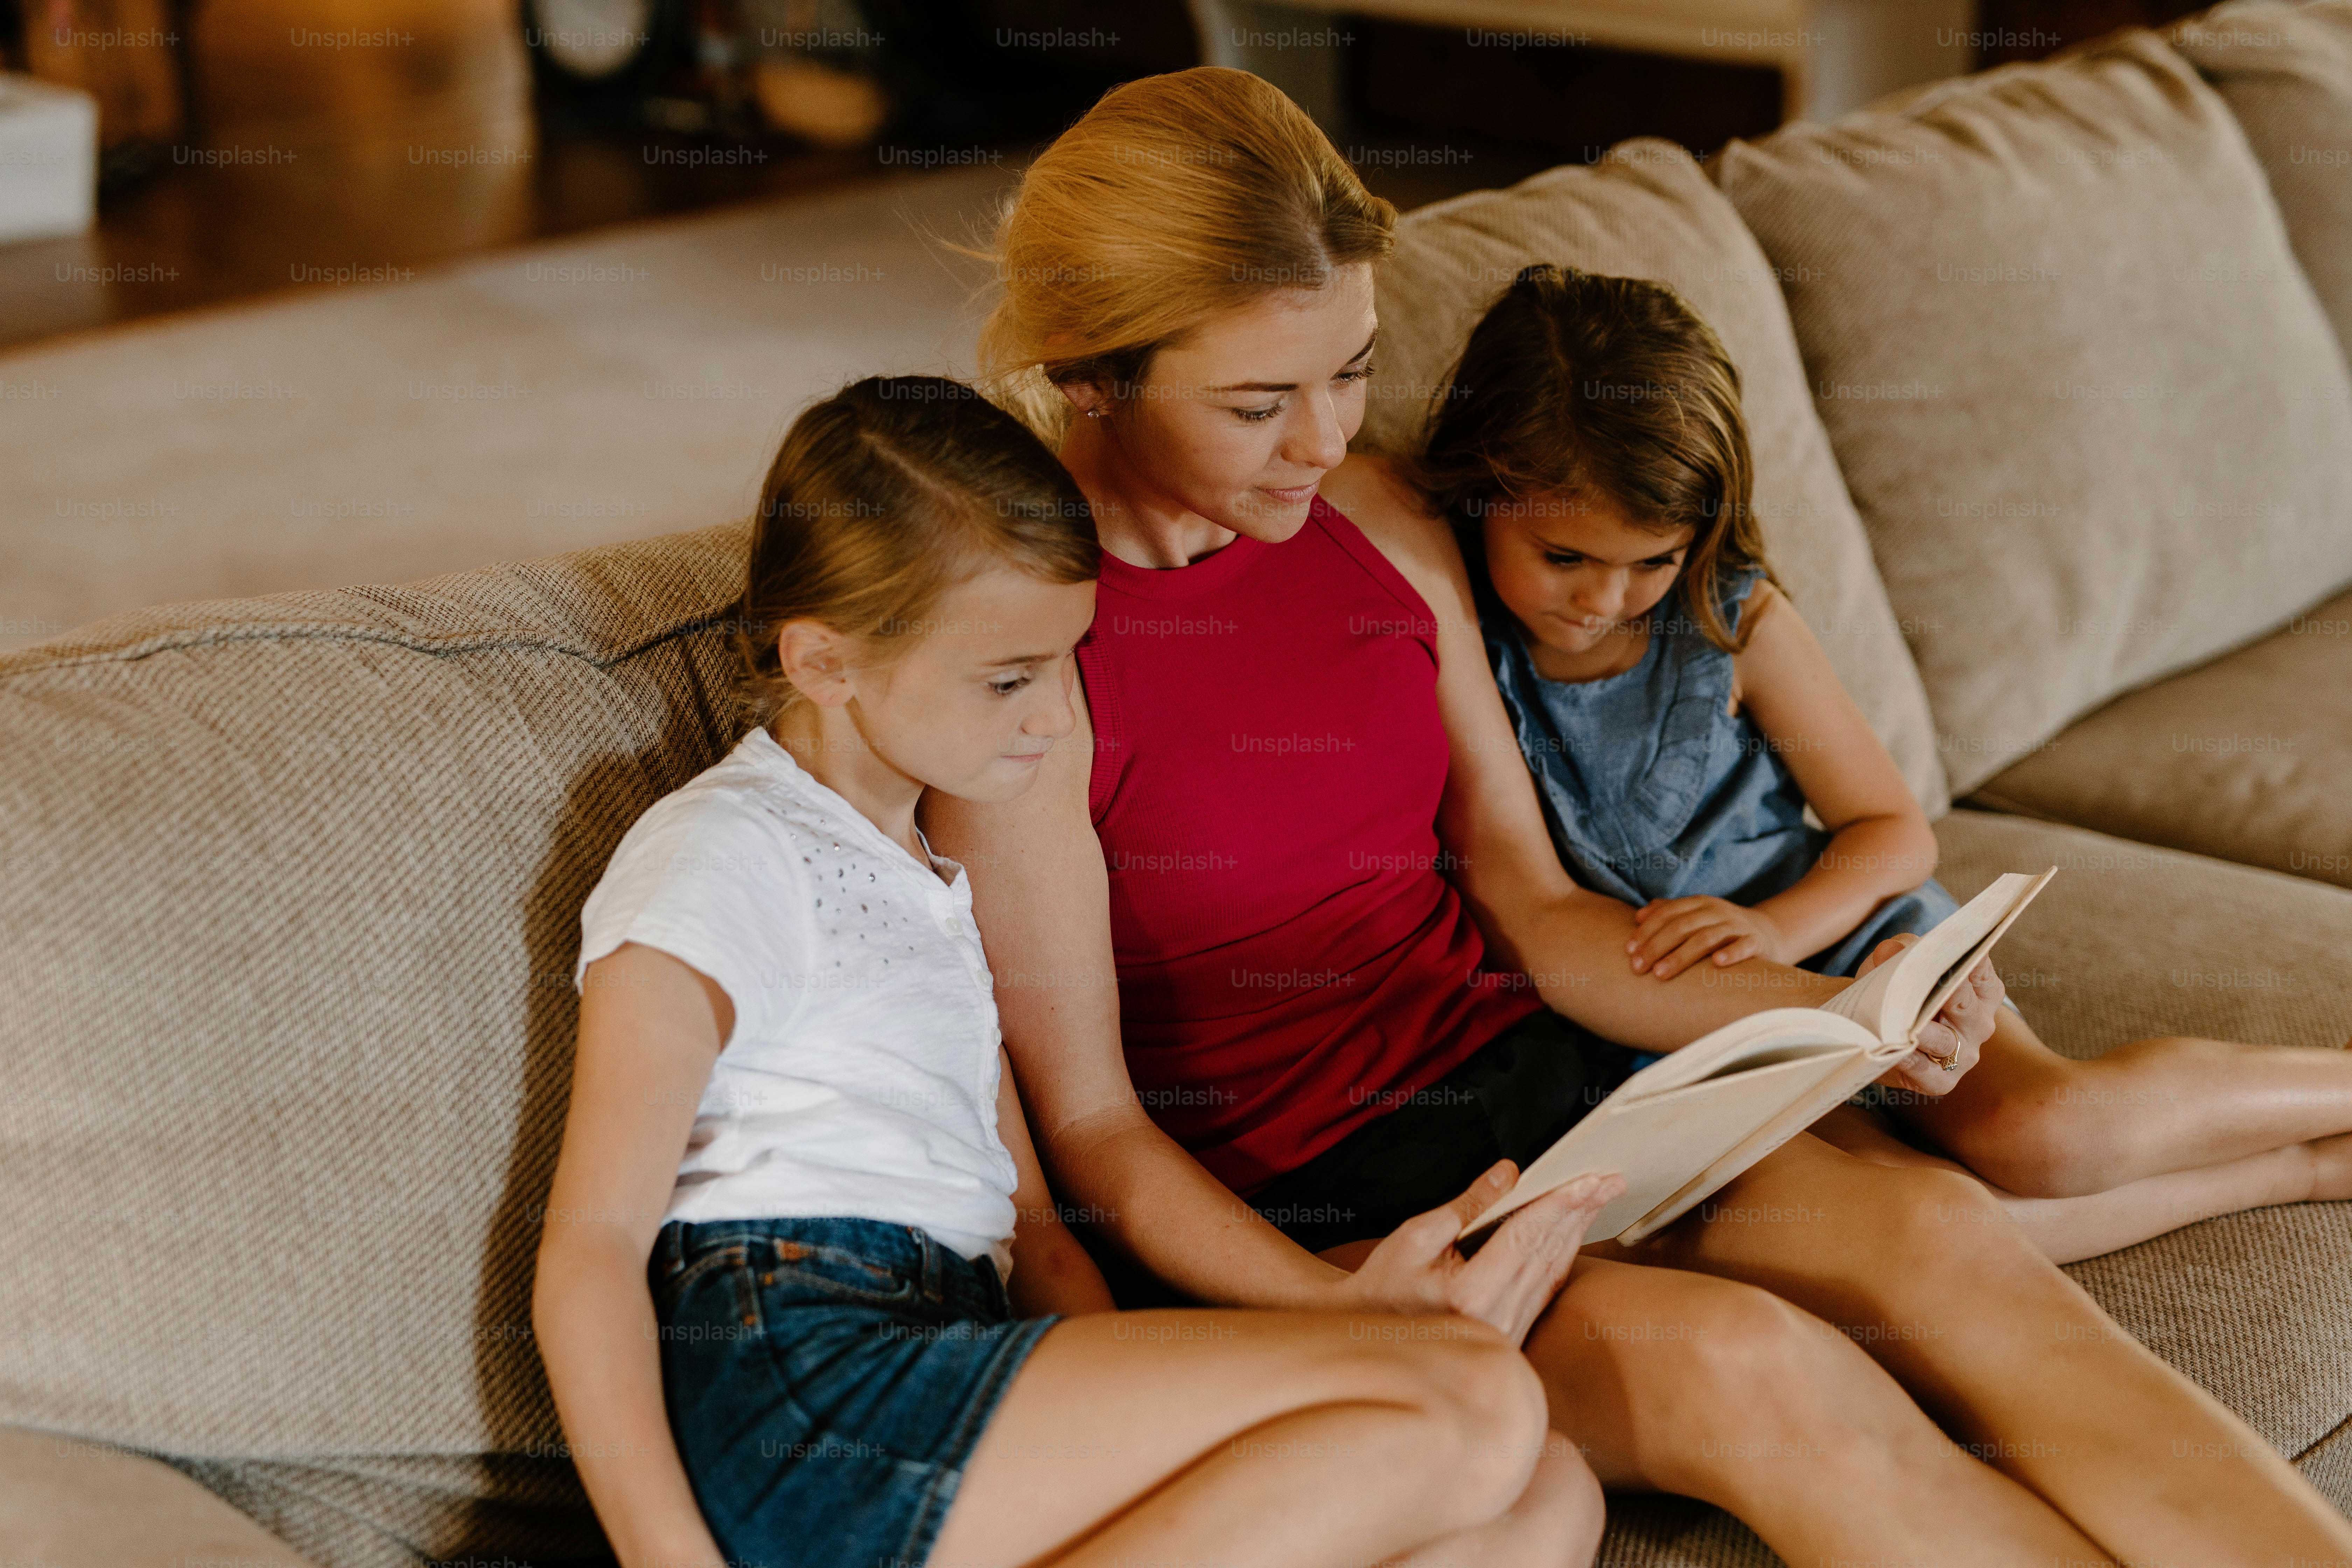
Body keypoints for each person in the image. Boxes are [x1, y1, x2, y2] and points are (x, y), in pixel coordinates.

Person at [924, 64, 2352, 1568]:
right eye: (1258, 403)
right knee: (1753, 1371)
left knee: (1949, 1238)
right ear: (1091, 374)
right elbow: (1091, 1129)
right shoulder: (1022, 662)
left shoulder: (1388, 528)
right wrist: (1326, 1309)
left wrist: (1835, 1008)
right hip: (1316, 1219)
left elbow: (1533, 906)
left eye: (1348, 371)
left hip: (1544, 1088)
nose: (1325, 439)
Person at [530, 375, 1623, 1568]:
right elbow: (588, 1248)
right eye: (1008, 679)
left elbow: (1042, 1237)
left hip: (966, 1342)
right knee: (1479, 1401)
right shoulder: (727, 848)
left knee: (1545, 1495)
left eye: (1069, 661)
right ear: (824, 663)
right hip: (809, 1370)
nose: (1058, 718)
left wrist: (1278, 1351)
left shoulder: (929, 880)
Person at [1416, 262, 2352, 1264]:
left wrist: (1773, 928)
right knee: (1921, 1230)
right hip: (1681, 1020)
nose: (1608, 599)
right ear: (1481, 490)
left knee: (2042, 1133)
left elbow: (1892, 828)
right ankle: (2302, 1169)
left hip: (1852, 945)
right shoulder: (1464, 642)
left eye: (1653, 560)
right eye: (1565, 558)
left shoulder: (1733, 620)